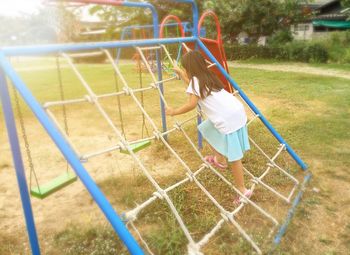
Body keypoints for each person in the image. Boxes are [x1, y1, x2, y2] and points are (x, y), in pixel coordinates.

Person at [165, 50, 252, 204]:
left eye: (184, 67)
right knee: (206, 128)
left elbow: (191, 104)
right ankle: (219, 159)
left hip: (228, 119)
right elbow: (193, 86)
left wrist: (173, 112)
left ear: (190, 68)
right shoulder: (208, 76)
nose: (184, 70)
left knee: (234, 157)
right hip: (236, 111)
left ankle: (242, 190)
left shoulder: (196, 82)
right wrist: (180, 74)